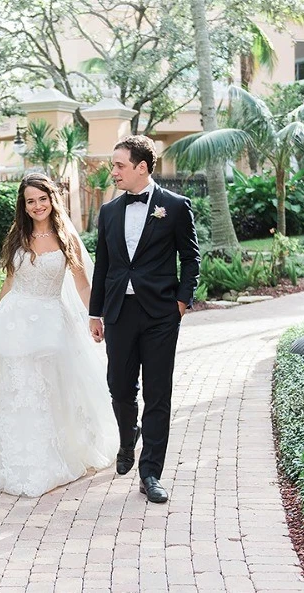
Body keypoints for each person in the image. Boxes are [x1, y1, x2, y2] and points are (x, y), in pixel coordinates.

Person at [0, 173, 119, 497]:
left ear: (52, 200)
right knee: (15, 388)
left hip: (51, 322)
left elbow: (81, 283)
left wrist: (95, 316)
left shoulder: (67, 239)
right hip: (14, 322)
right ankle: (14, 457)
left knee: (46, 390)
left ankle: (51, 457)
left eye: (42, 199)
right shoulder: (17, 237)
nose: (37, 206)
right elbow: (9, 283)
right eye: (30, 201)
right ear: (24, 206)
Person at [88, 135, 200, 503]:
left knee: (157, 394)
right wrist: (95, 312)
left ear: (141, 167)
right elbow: (103, 265)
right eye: (112, 165)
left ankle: (150, 472)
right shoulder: (108, 211)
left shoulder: (176, 206)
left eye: (119, 165)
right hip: (119, 312)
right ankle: (126, 437)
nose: (113, 171)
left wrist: (181, 303)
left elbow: (191, 259)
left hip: (160, 315)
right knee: (119, 386)